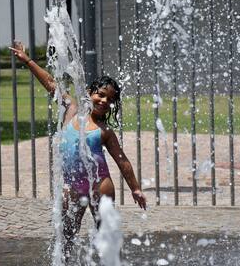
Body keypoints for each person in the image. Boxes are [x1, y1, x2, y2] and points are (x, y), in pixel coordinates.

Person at [9, 41, 147, 259]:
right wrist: (27, 61)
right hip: (72, 185)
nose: (104, 101)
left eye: (110, 100)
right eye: (101, 94)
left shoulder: (105, 131)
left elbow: (122, 160)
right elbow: (51, 84)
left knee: (106, 237)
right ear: (90, 92)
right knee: (66, 235)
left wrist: (135, 188)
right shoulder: (71, 110)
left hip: (100, 185)